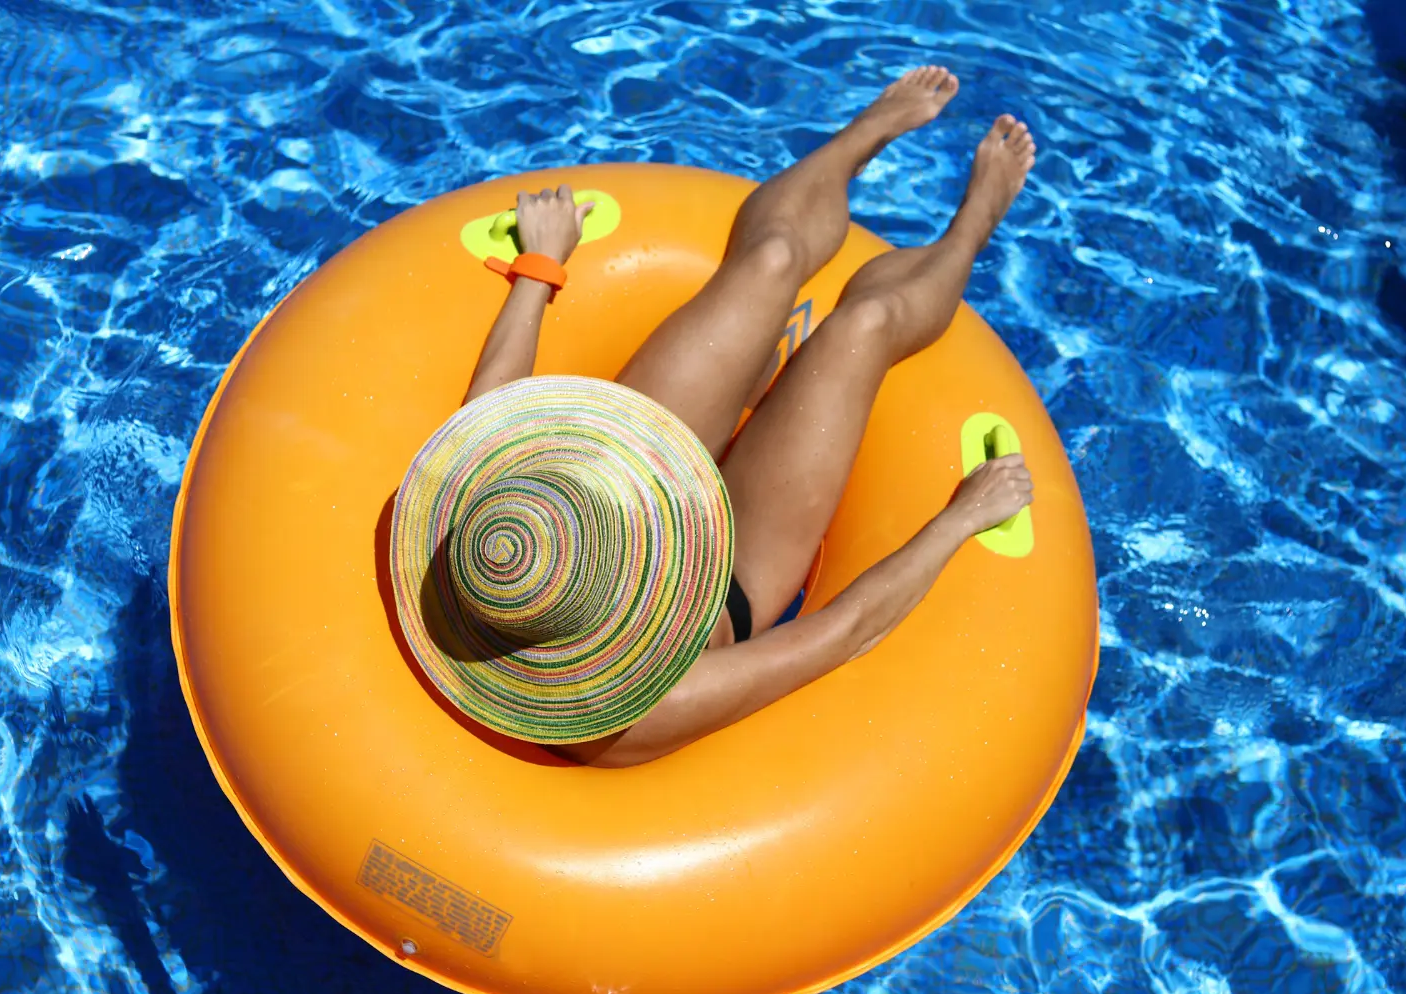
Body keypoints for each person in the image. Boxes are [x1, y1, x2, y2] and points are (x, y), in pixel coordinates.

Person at [415, 67, 1038, 767]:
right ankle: (971, 230)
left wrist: (540, 261)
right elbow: (846, 628)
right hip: (731, 579)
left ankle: (861, 137)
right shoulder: (646, 705)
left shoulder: (492, 533)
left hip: (622, 470)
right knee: (864, 323)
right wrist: (960, 518)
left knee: (771, 258)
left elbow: (492, 398)